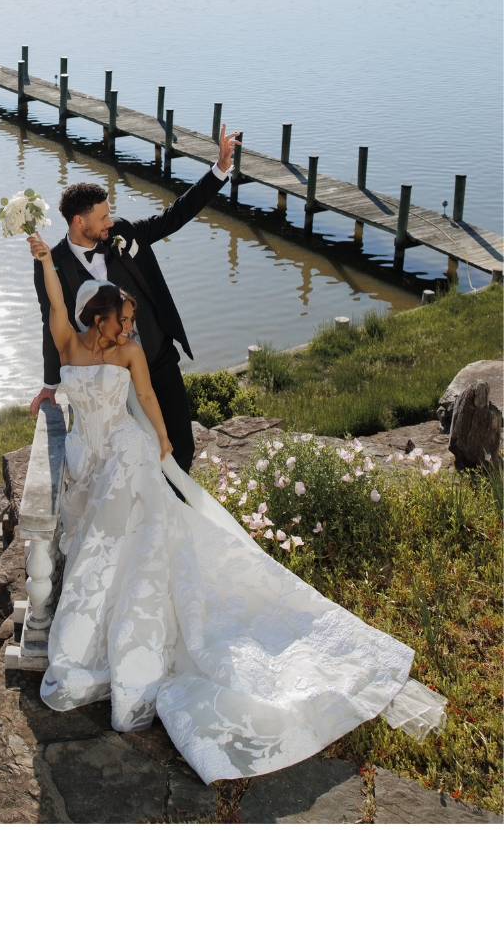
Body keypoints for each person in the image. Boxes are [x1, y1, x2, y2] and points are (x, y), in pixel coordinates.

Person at [25, 234, 444, 783]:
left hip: (123, 457)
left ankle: (108, 628)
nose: (131, 329)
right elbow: (56, 300)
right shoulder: (67, 341)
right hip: (86, 457)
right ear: (96, 318)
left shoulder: (127, 353)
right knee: (91, 538)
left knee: (125, 540)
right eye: (123, 320)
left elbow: (148, 397)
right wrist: (39, 257)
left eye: (131, 320)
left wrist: (161, 439)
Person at [29, 124, 241, 472]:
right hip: (110, 374)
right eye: (102, 218)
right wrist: (50, 383)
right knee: (128, 459)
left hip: (157, 357)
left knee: (181, 446)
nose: (110, 222)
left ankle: (172, 515)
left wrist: (218, 170)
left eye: (109, 214)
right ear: (79, 222)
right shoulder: (53, 265)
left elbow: (174, 217)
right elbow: (51, 321)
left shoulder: (123, 233)